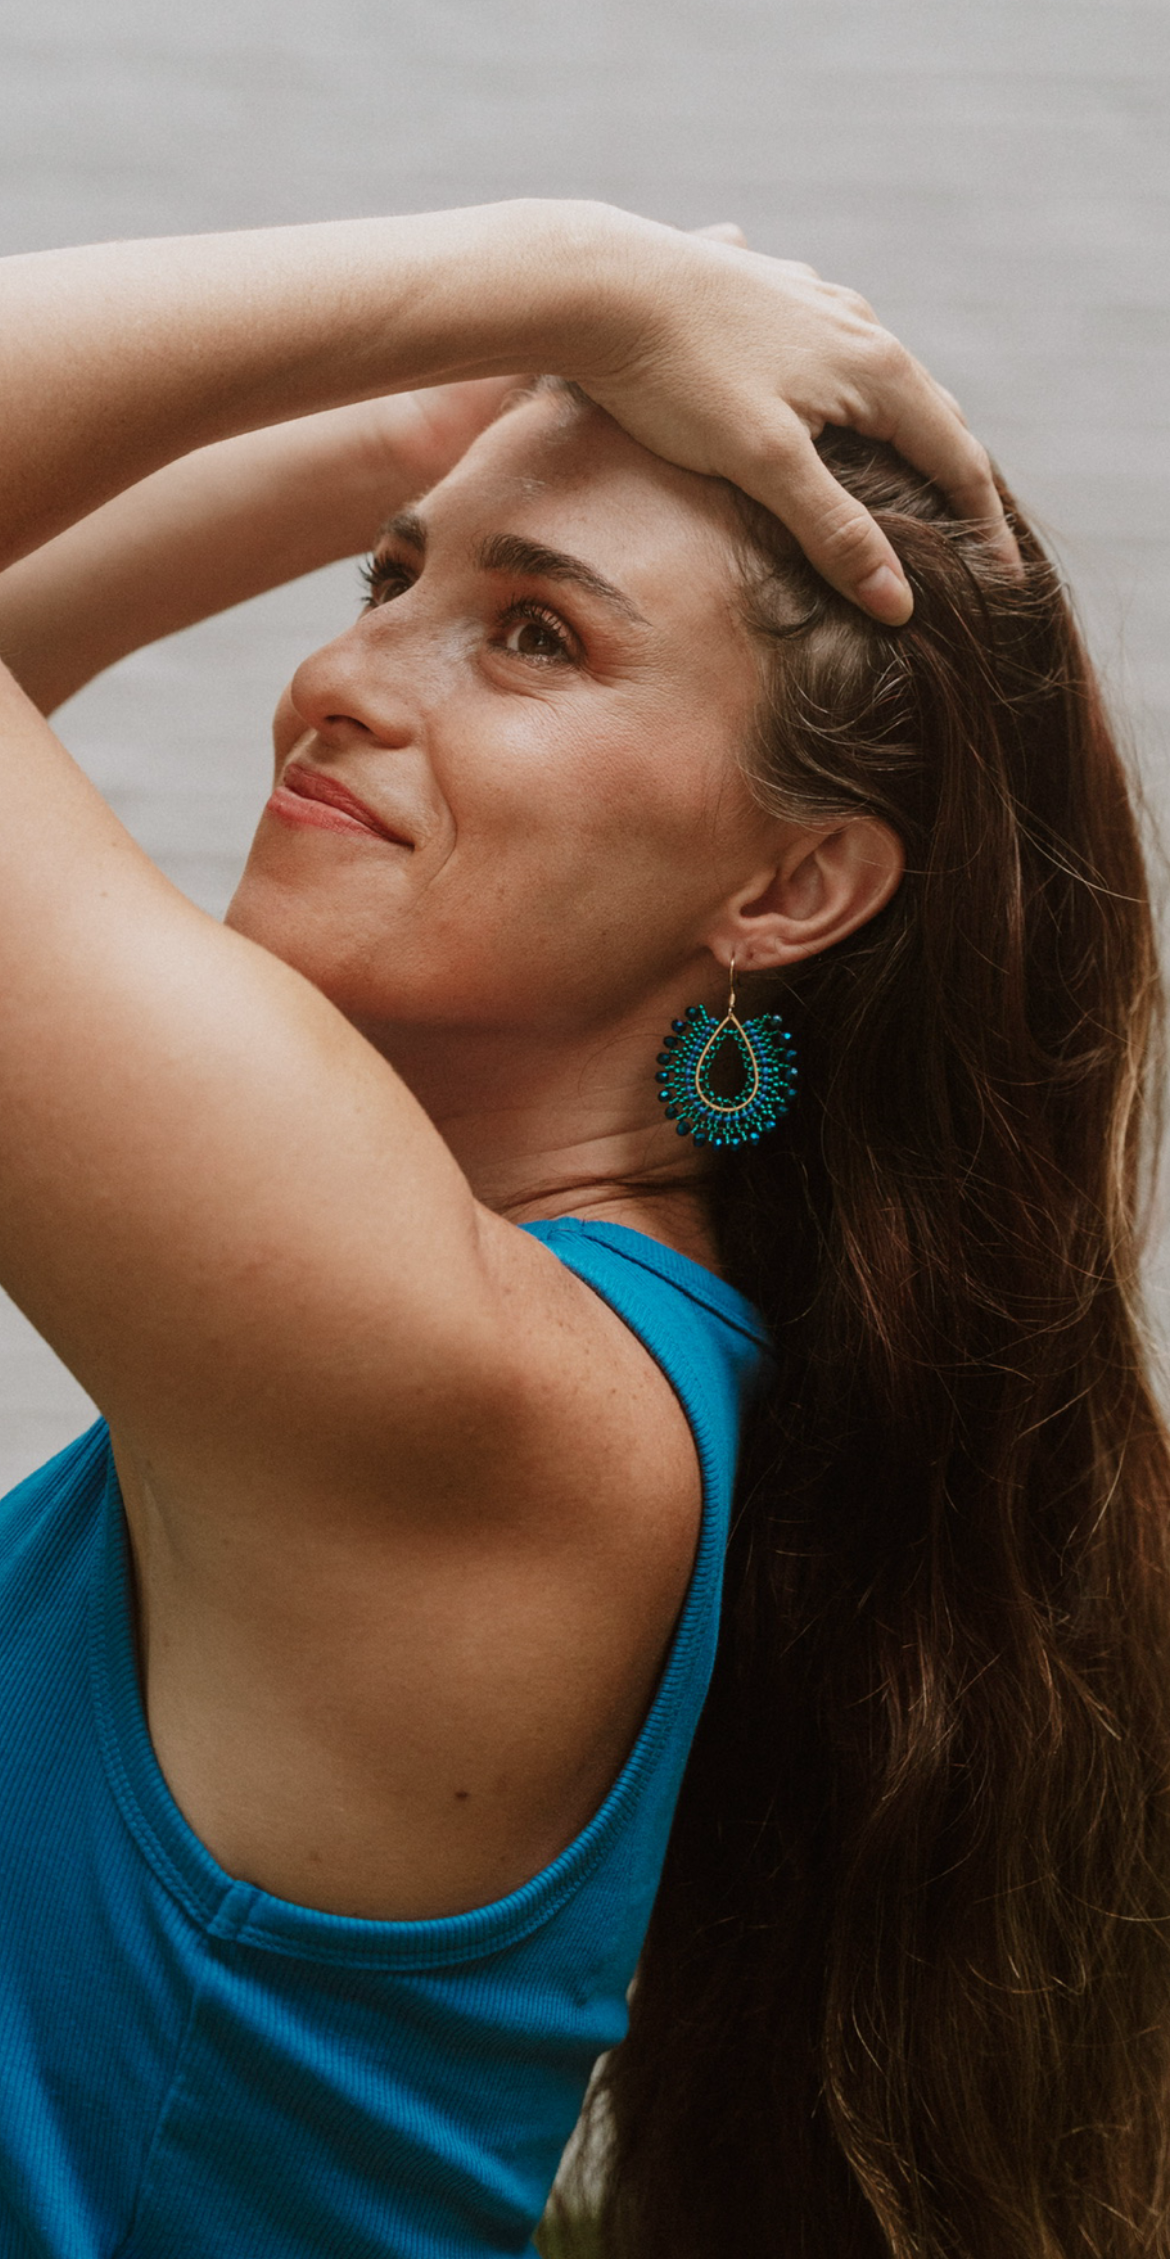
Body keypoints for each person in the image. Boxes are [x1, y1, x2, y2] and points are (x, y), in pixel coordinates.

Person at [0, 199, 1165, 2259]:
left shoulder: (484, 1395)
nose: (338, 679)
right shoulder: (586, 1356)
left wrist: (569, 269)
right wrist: (431, 424)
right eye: (386, 581)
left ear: (787, 892)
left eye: (536, 636)